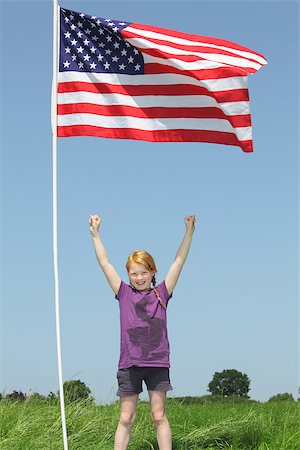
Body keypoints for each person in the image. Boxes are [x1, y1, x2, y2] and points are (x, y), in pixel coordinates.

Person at [89, 214, 196, 450]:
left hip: (157, 362)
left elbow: (178, 262)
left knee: (158, 416)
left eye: (144, 273)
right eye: (134, 273)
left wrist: (189, 232)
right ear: (128, 274)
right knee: (126, 418)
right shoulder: (123, 293)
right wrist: (96, 234)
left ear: (152, 272)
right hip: (129, 363)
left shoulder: (162, 293)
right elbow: (105, 263)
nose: (139, 278)